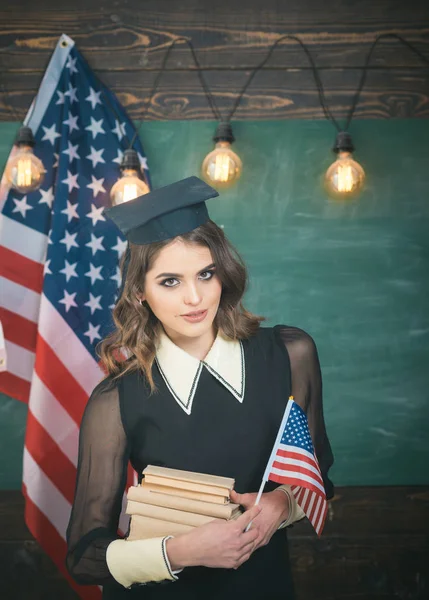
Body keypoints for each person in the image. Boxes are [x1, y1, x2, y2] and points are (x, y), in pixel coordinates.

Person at [66, 176, 334, 599]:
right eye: (170, 281)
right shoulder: (116, 399)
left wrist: (280, 506)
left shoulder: (289, 354)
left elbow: (316, 474)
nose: (194, 298)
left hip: (263, 587)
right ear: (139, 293)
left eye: (205, 274)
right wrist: (181, 551)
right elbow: (83, 558)